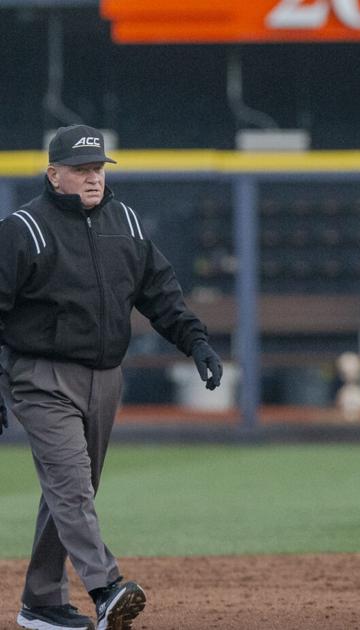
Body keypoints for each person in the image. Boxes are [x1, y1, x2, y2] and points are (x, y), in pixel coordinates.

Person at [0, 124, 223, 630]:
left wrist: (196, 340)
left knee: (72, 490)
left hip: (104, 376)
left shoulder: (124, 220)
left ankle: (41, 604)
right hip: (40, 376)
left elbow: (160, 292)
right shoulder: (22, 229)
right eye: (81, 170)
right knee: (72, 486)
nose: (93, 178)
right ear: (53, 174)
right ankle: (106, 589)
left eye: (98, 168)